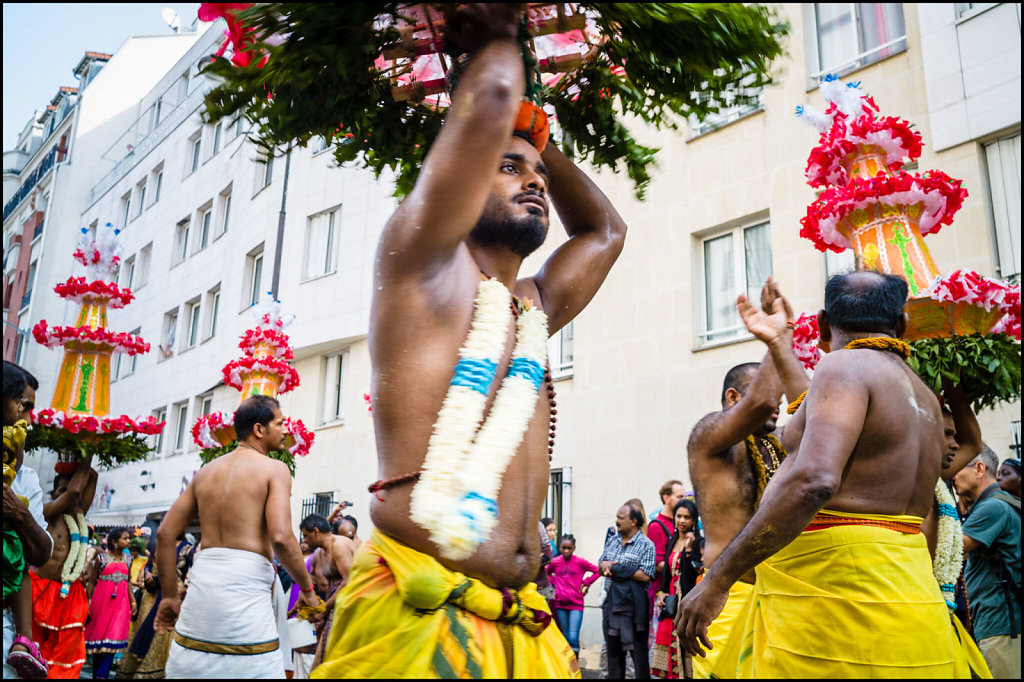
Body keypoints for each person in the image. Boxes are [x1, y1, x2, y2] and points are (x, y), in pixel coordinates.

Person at [313, 4, 625, 679]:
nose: (536, 181)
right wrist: (501, 36)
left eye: (537, 175)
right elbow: (487, 106)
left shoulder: (531, 307)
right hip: (418, 615)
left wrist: (538, 138)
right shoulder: (420, 265)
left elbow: (605, 232)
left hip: (522, 620)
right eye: (509, 169)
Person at [678, 271, 963, 677]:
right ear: (901, 325)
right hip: (907, 599)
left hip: (841, 609)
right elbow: (808, 410)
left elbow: (815, 480)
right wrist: (780, 342)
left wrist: (716, 581)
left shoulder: (842, 367)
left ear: (826, 325)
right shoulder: (922, 396)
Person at [155, 395, 318, 679]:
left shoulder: (205, 472)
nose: (285, 430)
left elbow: (166, 533)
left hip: (199, 602)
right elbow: (280, 536)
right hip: (245, 606)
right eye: (279, 424)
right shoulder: (274, 469)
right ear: (259, 429)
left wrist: (169, 596)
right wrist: (308, 590)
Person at [681, 279, 796, 678]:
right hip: (726, 599)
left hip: (778, 600)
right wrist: (778, 338)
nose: (777, 408)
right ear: (733, 398)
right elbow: (762, 399)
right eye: (769, 399)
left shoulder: (777, 443)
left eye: (782, 403)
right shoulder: (708, 437)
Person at [952, 445, 1022, 679]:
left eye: (956, 467)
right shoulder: (1003, 501)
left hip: (1002, 625)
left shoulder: (992, 507)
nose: (951, 474)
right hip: (1001, 622)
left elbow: (951, 549)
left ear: (979, 468)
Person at [3, 362, 53, 679]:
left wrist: (19, 514)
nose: (27, 418)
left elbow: (42, 554)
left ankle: (24, 640)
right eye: (23, 405)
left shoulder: (26, 478)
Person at [29, 457, 98, 679]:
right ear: (53, 494)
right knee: (34, 650)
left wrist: (88, 446)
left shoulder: (78, 516)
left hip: (69, 594)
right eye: (62, 490)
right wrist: (85, 458)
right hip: (41, 591)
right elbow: (74, 492)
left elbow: (92, 478)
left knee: (65, 656)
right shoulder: (47, 513)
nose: (70, 495)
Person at [116, 535, 196, 679]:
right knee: (143, 628)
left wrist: (186, 585)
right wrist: (147, 574)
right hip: (151, 593)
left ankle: (156, 671)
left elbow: (196, 568)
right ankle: (136, 670)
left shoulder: (187, 548)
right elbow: (148, 564)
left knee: (162, 634)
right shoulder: (159, 543)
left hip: (171, 593)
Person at [600, 504, 655, 679]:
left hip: (635, 608)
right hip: (612, 605)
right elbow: (601, 564)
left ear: (633, 521)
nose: (616, 521)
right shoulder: (613, 540)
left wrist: (617, 569)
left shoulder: (646, 544)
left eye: (621, 518)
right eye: (617, 517)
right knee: (613, 654)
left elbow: (646, 575)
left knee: (638, 654)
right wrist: (604, 566)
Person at [652, 499, 702, 679]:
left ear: (693, 520)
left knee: (685, 648)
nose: (681, 521)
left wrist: (689, 550)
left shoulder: (699, 544)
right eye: (678, 516)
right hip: (671, 604)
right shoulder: (671, 541)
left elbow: (694, 574)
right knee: (667, 654)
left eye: (686, 517)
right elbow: (666, 573)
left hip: (687, 604)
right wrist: (662, 592)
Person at [298, 514, 354, 669]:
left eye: (306, 536)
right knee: (322, 658)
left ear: (316, 532)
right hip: (333, 608)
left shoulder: (339, 546)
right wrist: (302, 599)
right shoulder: (319, 553)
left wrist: (323, 610)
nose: (305, 541)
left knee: (331, 660)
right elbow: (311, 580)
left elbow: (348, 582)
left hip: (351, 609)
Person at [84, 527, 136, 678]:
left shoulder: (129, 559)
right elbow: (92, 582)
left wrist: (133, 601)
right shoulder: (102, 559)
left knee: (110, 645)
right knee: (99, 647)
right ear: (114, 541)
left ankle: (102, 676)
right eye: (125, 538)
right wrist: (87, 602)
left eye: (128, 538)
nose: (128, 541)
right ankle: (98, 675)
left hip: (120, 606)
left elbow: (128, 581)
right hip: (101, 606)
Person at [545, 534, 599, 658]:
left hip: (576, 604)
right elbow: (545, 572)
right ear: (560, 548)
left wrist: (586, 583)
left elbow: (597, 571)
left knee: (573, 637)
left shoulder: (580, 562)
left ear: (574, 548)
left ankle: (575, 667)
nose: (566, 551)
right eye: (564, 548)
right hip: (560, 604)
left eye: (569, 548)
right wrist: (555, 583)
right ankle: (566, 668)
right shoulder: (556, 562)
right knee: (564, 636)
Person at [646, 481, 686, 631]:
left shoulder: (679, 523)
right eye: (679, 496)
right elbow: (657, 564)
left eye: (684, 496)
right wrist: (682, 564)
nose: (683, 500)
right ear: (666, 498)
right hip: (662, 593)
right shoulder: (656, 526)